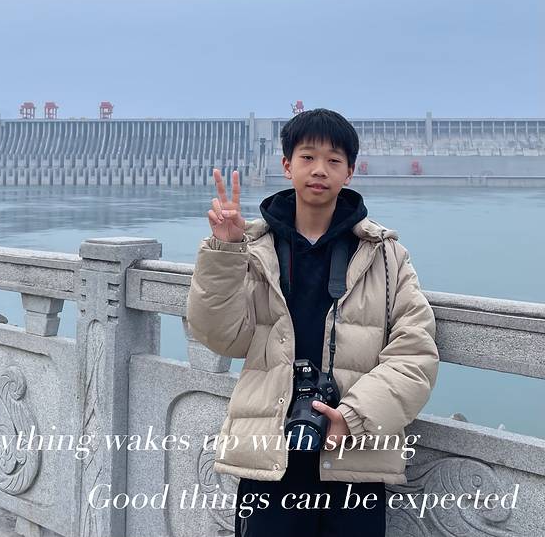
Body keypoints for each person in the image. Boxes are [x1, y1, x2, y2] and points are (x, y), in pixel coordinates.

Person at [186, 108, 439, 537]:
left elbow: (415, 355)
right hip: (270, 457)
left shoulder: (385, 256)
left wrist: (351, 418)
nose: (319, 169)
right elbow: (220, 336)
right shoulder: (253, 249)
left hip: (354, 461)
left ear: (350, 172)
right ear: (287, 165)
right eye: (307, 157)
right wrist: (224, 252)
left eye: (333, 160)